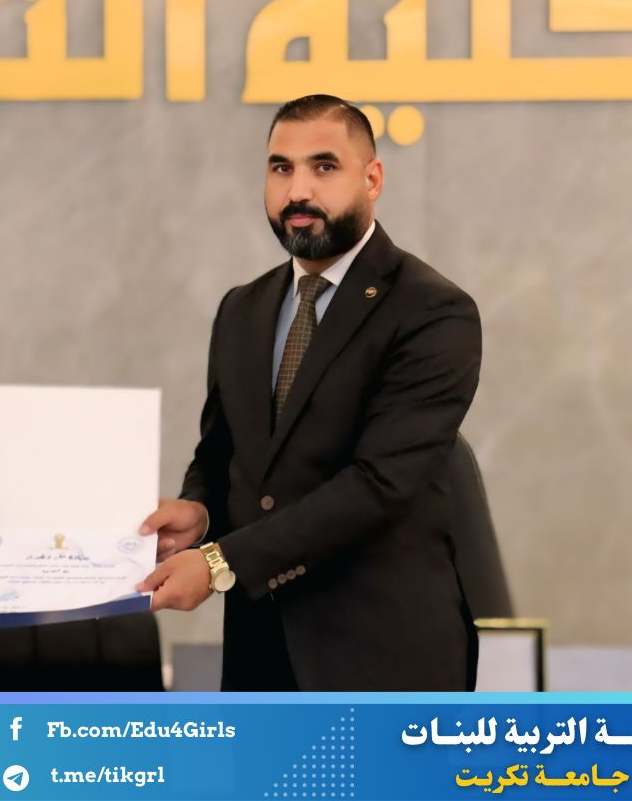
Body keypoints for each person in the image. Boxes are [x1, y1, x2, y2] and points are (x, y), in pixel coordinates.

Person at [137, 95, 482, 691]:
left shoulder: (432, 311)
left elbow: (378, 485)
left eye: (324, 167)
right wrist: (199, 511)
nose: (298, 191)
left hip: (383, 657)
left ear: (372, 179)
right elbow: (222, 454)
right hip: (259, 652)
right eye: (281, 168)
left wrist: (220, 563)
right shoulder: (242, 308)